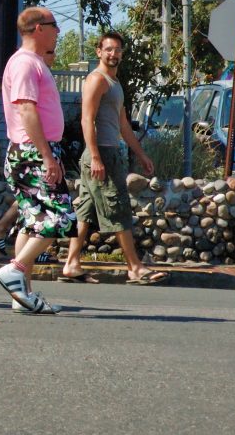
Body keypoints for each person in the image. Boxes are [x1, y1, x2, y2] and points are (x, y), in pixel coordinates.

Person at [61, 32, 167, 285]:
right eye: (108, 49)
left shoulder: (114, 83)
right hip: (101, 153)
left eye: (118, 49)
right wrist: (96, 157)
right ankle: (135, 268)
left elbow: (122, 123)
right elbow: (87, 119)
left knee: (85, 212)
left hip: (110, 151)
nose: (113, 54)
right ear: (99, 51)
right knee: (118, 209)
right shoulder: (96, 80)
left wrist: (141, 154)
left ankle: (71, 264)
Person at [0, 7, 75, 314]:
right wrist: (46, 156)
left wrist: (51, 153)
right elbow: (26, 110)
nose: (58, 31)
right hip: (31, 152)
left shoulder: (30, 62)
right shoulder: (27, 63)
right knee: (60, 218)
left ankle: (22, 295)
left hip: (30, 151)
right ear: (39, 28)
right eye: (55, 26)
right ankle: (15, 270)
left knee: (31, 222)